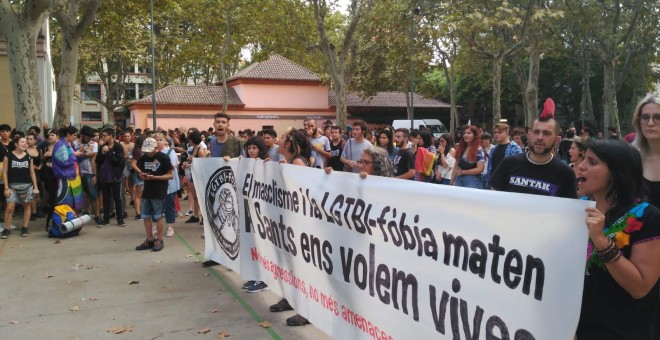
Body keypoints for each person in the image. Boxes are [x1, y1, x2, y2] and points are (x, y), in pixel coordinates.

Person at [575, 140, 660, 339]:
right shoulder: (577, 209)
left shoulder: (647, 217)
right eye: (583, 159)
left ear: (616, 172)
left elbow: (640, 288)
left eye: (592, 162)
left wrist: (601, 241)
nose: (581, 166)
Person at [490, 99, 577, 198]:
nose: (540, 137)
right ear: (529, 135)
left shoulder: (566, 173)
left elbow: (569, 208)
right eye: (536, 132)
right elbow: (493, 198)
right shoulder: (508, 164)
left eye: (546, 133)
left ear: (557, 140)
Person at [271, 128, 313, 327]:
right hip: (291, 223)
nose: (279, 140)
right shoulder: (290, 162)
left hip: (299, 225)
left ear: (288, 144)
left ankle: (306, 310)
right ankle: (291, 298)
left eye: (282, 138)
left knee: (300, 267)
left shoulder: (297, 163)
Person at [630, 93, 660, 334]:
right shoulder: (631, 159)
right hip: (636, 251)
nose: (651, 123)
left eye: (658, 117)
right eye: (645, 117)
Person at [134, 138, 174, 252]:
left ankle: (159, 239)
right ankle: (150, 239)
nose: (148, 153)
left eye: (150, 151)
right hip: (147, 190)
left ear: (156, 148)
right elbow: (139, 170)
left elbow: (170, 175)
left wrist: (155, 177)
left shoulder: (163, 157)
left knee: (158, 216)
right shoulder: (144, 158)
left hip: (159, 190)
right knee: (146, 215)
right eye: (146, 151)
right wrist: (141, 175)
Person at [2, 136, 39, 238]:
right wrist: (6, 188)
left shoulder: (28, 157)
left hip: (27, 186)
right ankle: (6, 229)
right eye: (22, 142)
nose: (25, 143)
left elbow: (32, 173)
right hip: (12, 186)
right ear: (16, 144)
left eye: (26, 142)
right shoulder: (8, 156)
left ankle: (25, 227)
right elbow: (4, 173)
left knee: (26, 206)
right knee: (10, 207)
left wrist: (35, 187)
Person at [95, 128, 126, 227]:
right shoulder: (102, 147)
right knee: (106, 198)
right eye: (102, 136)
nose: (102, 137)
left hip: (115, 176)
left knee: (117, 198)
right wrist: (103, 153)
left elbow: (119, 161)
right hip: (104, 176)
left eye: (104, 135)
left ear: (111, 136)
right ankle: (106, 219)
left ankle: (120, 218)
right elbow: (98, 161)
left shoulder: (118, 147)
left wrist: (109, 152)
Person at [52, 126, 85, 213]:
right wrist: (75, 155)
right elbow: (64, 162)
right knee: (65, 200)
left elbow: (76, 160)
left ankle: (74, 219)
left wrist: (81, 153)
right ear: (68, 134)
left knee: (75, 201)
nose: (75, 137)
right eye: (74, 135)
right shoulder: (60, 144)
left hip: (74, 176)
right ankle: (65, 220)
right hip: (65, 177)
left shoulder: (70, 144)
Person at [73, 126, 101, 223]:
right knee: (79, 194)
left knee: (93, 194)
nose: (90, 139)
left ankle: (97, 216)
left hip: (89, 172)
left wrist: (94, 174)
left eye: (91, 137)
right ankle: (84, 212)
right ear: (82, 136)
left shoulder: (94, 144)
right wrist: (84, 153)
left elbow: (94, 157)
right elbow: (72, 157)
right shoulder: (74, 143)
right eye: (88, 137)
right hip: (77, 173)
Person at [155, 133, 180, 237]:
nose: (158, 141)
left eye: (160, 139)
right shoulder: (152, 152)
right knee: (156, 206)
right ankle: (156, 226)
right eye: (156, 139)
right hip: (156, 182)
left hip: (169, 183)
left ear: (165, 141)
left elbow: (173, 166)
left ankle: (170, 227)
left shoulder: (170, 152)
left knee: (169, 205)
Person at [486, 123, 523, 188]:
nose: (496, 134)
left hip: (508, 185)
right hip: (493, 184)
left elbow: (519, 169)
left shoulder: (515, 148)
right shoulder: (493, 148)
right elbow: (490, 168)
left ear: (507, 133)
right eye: (495, 133)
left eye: (499, 132)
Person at [182, 130, 208, 224]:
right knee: (195, 196)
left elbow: (203, 164)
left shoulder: (200, 149)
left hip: (199, 175)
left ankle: (203, 216)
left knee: (200, 196)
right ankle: (196, 215)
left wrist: (189, 165)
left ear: (192, 140)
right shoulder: (196, 148)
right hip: (194, 174)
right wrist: (188, 163)